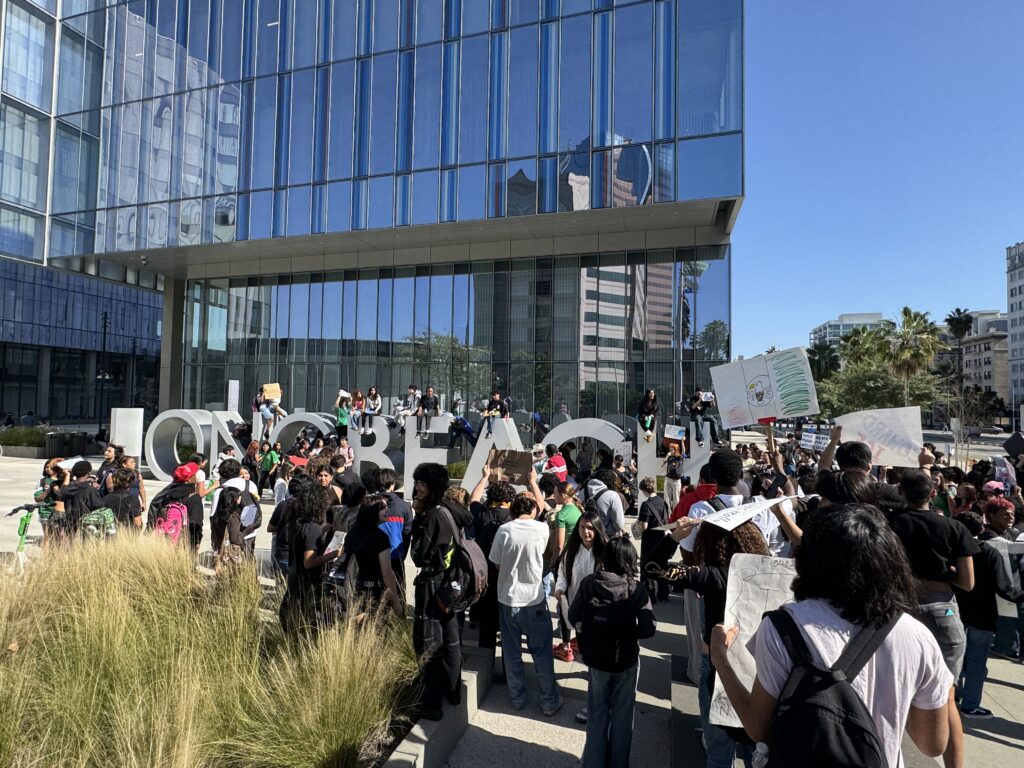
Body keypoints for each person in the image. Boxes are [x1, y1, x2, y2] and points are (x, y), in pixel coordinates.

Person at [710, 503, 952, 768]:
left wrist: (720, 658)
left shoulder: (783, 627)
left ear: (809, 559)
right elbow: (933, 744)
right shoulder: (918, 636)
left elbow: (758, 728)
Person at [662, 514, 769, 768]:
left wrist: (674, 537)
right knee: (754, 747)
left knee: (719, 750)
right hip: (759, 668)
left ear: (707, 542)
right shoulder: (767, 574)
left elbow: (654, 568)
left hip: (717, 664)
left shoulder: (712, 575)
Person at [887, 469, 978, 768]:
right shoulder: (954, 528)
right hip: (943, 611)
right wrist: (946, 571)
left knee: (896, 693)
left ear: (901, 492)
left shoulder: (890, 525)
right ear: (932, 493)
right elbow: (967, 582)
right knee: (946, 697)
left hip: (902, 611)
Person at [570, 537, 656, 768]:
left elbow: (573, 615)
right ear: (630, 560)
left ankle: (594, 762)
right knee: (623, 717)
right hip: (626, 660)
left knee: (597, 716)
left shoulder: (590, 583)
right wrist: (627, 633)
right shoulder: (635, 589)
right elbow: (649, 628)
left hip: (597, 659)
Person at [489, 486, 563, 716]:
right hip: (534, 598)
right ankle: (549, 700)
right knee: (542, 652)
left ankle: (518, 697)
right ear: (532, 510)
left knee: (511, 652)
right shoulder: (541, 528)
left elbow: (497, 562)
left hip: (508, 597)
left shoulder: (504, 530)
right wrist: (533, 483)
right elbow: (541, 509)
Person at [410, 463, 473, 720]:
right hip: (450, 585)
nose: (417, 488)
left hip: (433, 584)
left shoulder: (432, 516)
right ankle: (453, 691)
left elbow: (418, 556)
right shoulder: (450, 510)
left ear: (433, 486)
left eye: (422, 484)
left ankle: (432, 703)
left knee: (428, 643)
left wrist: (417, 520)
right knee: (451, 639)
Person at [953, 510, 1024, 717]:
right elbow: (1005, 588)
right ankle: (970, 704)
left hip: (955, 610)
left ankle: (953, 693)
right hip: (982, 615)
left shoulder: (951, 550)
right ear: (982, 529)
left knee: (956, 657)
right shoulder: (989, 553)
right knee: (976, 662)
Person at [470, 466, 518, 649]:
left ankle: (485, 668)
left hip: (484, 576)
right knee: (508, 630)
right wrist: (530, 482)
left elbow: (473, 499)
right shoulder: (514, 518)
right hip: (507, 576)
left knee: (486, 629)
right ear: (509, 500)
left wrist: (484, 477)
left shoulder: (482, 514)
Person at [281, 483, 338, 633]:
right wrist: (334, 554)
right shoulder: (312, 529)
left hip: (295, 579)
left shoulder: (298, 523)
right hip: (307, 584)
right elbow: (309, 562)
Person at [553, 510, 608, 666]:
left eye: (590, 528)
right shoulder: (572, 549)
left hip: (597, 606)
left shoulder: (604, 552)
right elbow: (562, 572)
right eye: (582, 527)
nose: (585, 532)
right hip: (573, 600)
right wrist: (560, 588)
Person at [345, 494, 405, 616]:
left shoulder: (353, 532)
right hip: (375, 592)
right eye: (382, 508)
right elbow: (387, 572)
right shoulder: (380, 538)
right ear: (372, 511)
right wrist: (396, 602)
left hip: (354, 589)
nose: (387, 510)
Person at [149, 462, 205, 550]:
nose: (196, 476)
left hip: (164, 540)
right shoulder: (194, 497)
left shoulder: (165, 494)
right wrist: (196, 542)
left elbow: (155, 514)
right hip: (184, 543)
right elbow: (196, 523)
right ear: (189, 479)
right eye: (194, 475)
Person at [378, 468, 414, 596]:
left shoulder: (369, 503)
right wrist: (402, 554)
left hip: (375, 555)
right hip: (396, 555)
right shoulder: (404, 506)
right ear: (392, 485)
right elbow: (408, 533)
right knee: (398, 592)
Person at [636, 477, 672, 602]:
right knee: (662, 564)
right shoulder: (663, 502)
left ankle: (650, 594)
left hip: (649, 539)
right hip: (661, 538)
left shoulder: (646, 505)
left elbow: (644, 526)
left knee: (647, 566)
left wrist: (639, 523)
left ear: (645, 490)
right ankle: (663, 593)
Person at [56, 460, 105, 532]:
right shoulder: (90, 490)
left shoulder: (68, 488)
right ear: (88, 473)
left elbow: (62, 493)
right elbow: (99, 507)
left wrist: (67, 475)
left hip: (69, 525)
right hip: (86, 526)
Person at [583, 469, 626, 537]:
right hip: (606, 537)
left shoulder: (583, 491)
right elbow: (619, 524)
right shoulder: (612, 495)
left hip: (586, 535)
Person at [211, 486, 245, 554]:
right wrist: (242, 537)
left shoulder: (217, 515)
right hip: (229, 555)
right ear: (234, 500)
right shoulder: (233, 517)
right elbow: (234, 538)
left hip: (219, 551)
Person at [663, 444, 684, 510]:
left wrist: (682, 442)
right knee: (667, 498)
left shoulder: (679, 457)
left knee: (676, 498)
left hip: (676, 480)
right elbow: (662, 464)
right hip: (668, 478)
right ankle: (668, 514)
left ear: (676, 449)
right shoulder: (669, 457)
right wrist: (667, 456)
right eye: (670, 448)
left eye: (672, 449)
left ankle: (675, 514)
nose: (670, 450)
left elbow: (683, 451)